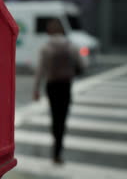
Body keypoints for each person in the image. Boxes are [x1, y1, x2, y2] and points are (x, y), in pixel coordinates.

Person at [32, 18, 84, 165]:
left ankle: (55, 139)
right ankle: (58, 148)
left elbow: (40, 71)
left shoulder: (45, 47)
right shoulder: (71, 46)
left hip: (52, 85)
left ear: (49, 31)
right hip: (65, 85)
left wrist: (36, 89)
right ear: (61, 30)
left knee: (54, 116)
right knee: (63, 116)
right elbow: (81, 64)